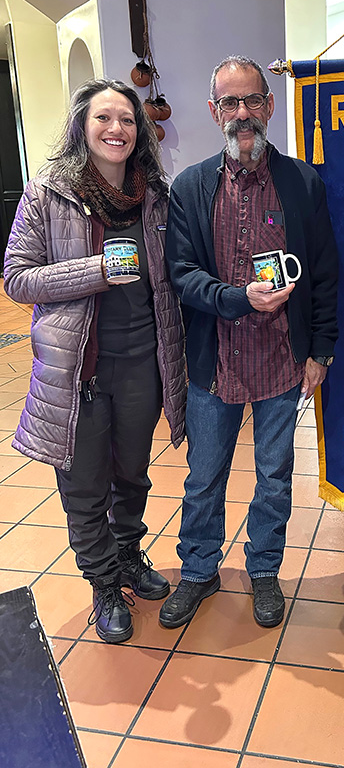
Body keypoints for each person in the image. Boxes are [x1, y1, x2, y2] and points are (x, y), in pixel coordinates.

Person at [4, 79, 187, 644]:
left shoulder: (155, 196)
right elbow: (17, 279)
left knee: (132, 475)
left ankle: (128, 555)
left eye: (127, 119)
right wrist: (96, 271)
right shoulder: (47, 193)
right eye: (104, 117)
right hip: (76, 370)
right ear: (82, 126)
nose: (116, 129)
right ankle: (104, 582)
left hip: (142, 365)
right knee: (84, 486)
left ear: (140, 131)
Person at [161, 56, 338, 630]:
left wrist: (321, 351)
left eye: (253, 101)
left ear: (270, 106)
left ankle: (264, 570)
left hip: (282, 362)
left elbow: (325, 273)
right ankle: (198, 571)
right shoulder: (190, 187)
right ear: (215, 111)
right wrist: (239, 298)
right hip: (214, 364)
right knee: (204, 477)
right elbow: (181, 275)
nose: (243, 113)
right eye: (230, 103)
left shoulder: (302, 183)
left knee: (275, 478)